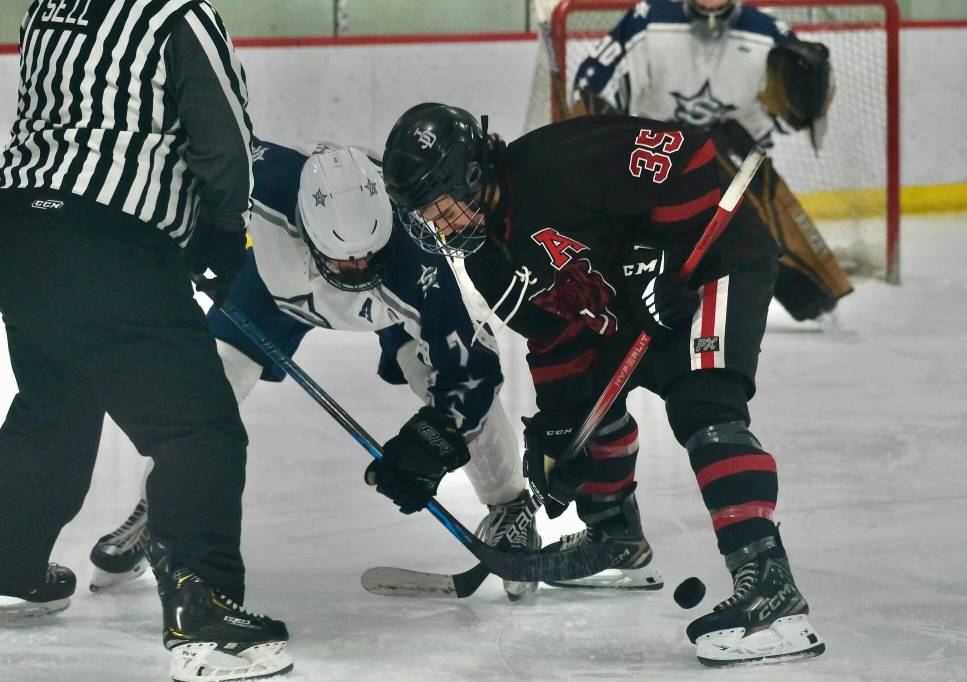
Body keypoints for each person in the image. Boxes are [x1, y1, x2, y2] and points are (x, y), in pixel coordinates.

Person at [380, 102, 825, 665]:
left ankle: (771, 590)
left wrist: (660, 253)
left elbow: (689, 154)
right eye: (427, 217)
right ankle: (616, 539)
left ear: (471, 175)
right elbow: (554, 336)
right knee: (587, 408)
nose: (439, 227)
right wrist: (561, 422)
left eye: (441, 207)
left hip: (712, 263)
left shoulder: (555, 163)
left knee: (703, 407)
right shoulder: (488, 262)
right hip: (635, 308)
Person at [88, 140, 542, 601]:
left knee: (435, 379)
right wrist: (170, 240)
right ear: (305, 228)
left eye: (368, 254)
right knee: (205, 388)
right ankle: (162, 505)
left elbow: (472, 370)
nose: (358, 267)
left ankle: (511, 507)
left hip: (389, 306)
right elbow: (168, 165)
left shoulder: (415, 255)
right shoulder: (257, 178)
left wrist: (432, 445)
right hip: (267, 289)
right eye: (345, 259)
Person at [0, 2, 291, 681]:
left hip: (20, 232)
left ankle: (7, 562)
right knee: (198, 431)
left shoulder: (51, 4)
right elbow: (222, 137)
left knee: (54, 408)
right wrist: (223, 234)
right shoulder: (178, 14)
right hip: (110, 241)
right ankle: (204, 611)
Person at [569, 0, 852, 322]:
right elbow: (592, 90)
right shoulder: (647, 20)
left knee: (765, 208)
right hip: (655, 148)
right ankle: (599, 287)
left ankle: (811, 294)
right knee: (618, 222)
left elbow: (790, 113)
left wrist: (804, 103)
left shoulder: (768, 32)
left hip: (730, 149)